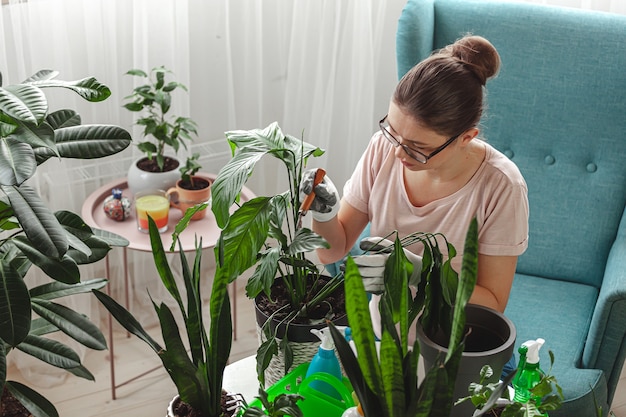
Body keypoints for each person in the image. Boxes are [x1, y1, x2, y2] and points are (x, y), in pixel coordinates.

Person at [301, 35, 529, 329]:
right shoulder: (383, 148)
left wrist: (424, 274)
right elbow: (331, 250)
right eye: (393, 130)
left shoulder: (502, 186)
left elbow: (494, 303)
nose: (398, 152)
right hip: (382, 336)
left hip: (451, 345)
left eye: (417, 147)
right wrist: (325, 214)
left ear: (466, 138)